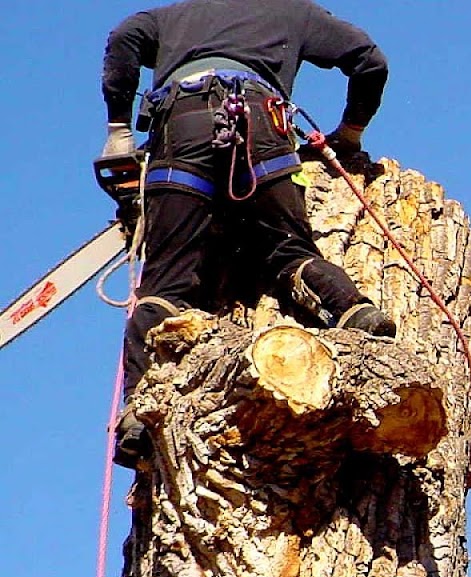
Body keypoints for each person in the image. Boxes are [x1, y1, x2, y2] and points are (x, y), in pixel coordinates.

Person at [100, 0, 396, 469]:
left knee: (165, 284)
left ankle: (139, 409)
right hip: (263, 124)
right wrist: (350, 131)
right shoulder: (293, 13)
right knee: (289, 252)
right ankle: (353, 311)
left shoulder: (165, 18)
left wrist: (119, 129)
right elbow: (369, 61)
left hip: (181, 127)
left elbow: (122, 41)